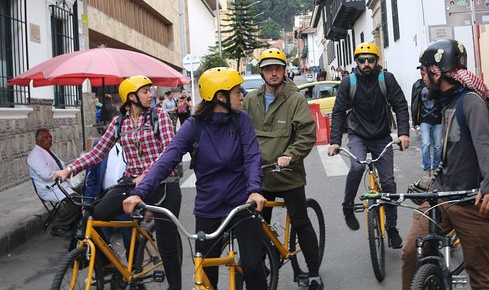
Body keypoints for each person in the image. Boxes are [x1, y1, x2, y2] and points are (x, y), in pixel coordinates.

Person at [123, 68, 267, 290]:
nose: (242, 96)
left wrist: (255, 189)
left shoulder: (242, 121)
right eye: (237, 91)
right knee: (206, 273)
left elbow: (252, 157)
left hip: (242, 202)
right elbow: (167, 159)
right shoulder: (193, 126)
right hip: (209, 206)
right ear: (221, 97)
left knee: (252, 265)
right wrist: (138, 193)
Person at [52, 76, 183, 289]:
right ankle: (111, 268)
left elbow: (170, 152)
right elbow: (97, 153)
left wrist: (148, 174)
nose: (151, 95)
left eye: (150, 91)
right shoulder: (119, 122)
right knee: (92, 218)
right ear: (131, 97)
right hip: (132, 183)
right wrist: (69, 169)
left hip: (163, 183)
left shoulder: (159, 116)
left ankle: (175, 287)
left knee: (167, 245)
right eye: (145, 92)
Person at [401, 39, 489, 290]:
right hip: (441, 198)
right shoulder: (446, 102)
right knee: (411, 253)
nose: (423, 79)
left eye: (424, 73)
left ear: (437, 73)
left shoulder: (471, 102)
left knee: (480, 276)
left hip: (471, 204)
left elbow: (484, 144)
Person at [244, 48, 324, 290]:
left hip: (288, 174)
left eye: (278, 68)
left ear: (284, 70)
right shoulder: (250, 100)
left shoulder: (295, 98)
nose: (274, 73)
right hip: (260, 176)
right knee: (256, 225)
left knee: (300, 222)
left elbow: (307, 133)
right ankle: (262, 264)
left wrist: (291, 155)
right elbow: (240, 132)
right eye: (269, 69)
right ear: (262, 72)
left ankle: (313, 272)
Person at [327, 42, 410, 249]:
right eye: (362, 60)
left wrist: (403, 134)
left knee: (389, 183)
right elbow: (338, 112)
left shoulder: (386, 79)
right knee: (356, 167)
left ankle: (391, 228)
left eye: (371, 60)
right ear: (356, 62)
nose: (366, 63)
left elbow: (400, 104)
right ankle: (348, 205)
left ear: (377, 61)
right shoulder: (349, 83)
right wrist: (335, 141)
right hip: (358, 135)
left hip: (382, 137)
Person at [27, 129, 82, 237]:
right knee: (75, 201)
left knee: (85, 192)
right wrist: (64, 174)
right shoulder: (35, 156)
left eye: (50, 137)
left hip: (60, 184)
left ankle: (76, 223)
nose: (49, 140)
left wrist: (70, 170)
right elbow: (47, 175)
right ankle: (60, 226)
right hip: (49, 188)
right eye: (46, 138)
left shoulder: (47, 151)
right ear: (38, 140)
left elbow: (60, 167)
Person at [411, 67, 442, 175]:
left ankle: (436, 167)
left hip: (438, 120)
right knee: (426, 144)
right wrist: (414, 120)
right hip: (424, 120)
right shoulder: (417, 85)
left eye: (424, 71)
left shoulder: (438, 83)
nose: (422, 73)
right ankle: (427, 169)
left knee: (438, 146)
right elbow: (414, 102)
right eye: (421, 71)